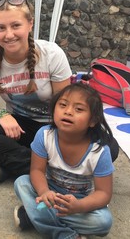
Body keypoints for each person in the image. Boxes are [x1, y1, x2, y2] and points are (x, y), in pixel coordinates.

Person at [0, 0, 74, 183]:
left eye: (16, 25)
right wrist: (1, 115)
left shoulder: (52, 54)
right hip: (19, 128)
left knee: (106, 145)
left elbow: (66, 105)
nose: (8, 35)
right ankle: (56, 171)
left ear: (30, 24)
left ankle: (13, 166)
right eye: (1, 28)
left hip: (54, 124)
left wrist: (52, 136)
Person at [13, 82, 114, 238]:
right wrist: (44, 192)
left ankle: (33, 214)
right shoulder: (45, 135)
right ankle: (65, 234)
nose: (68, 112)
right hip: (49, 192)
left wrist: (78, 206)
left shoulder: (99, 151)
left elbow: (103, 193)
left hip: (80, 200)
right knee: (22, 183)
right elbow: (37, 171)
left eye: (79, 109)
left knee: (103, 222)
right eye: (62, 105)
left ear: (93, 121)